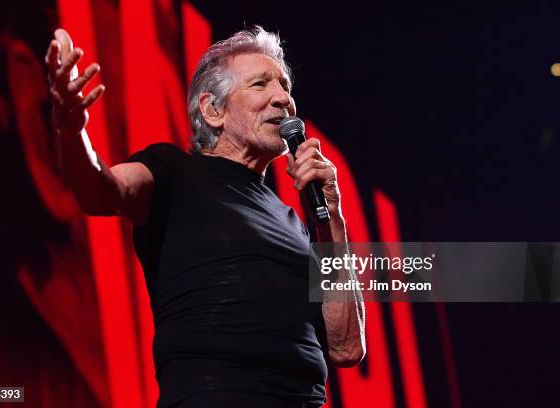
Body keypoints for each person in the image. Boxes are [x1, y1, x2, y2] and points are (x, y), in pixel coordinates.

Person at [45, 25, 365, 408]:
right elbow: (101, 192)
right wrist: (71, 127)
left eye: (285, 87)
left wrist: (332, 216)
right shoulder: (174, 172)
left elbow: (346, 347)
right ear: (213, 110)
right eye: (261, 85)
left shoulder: (298, 223)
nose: (284, 100)